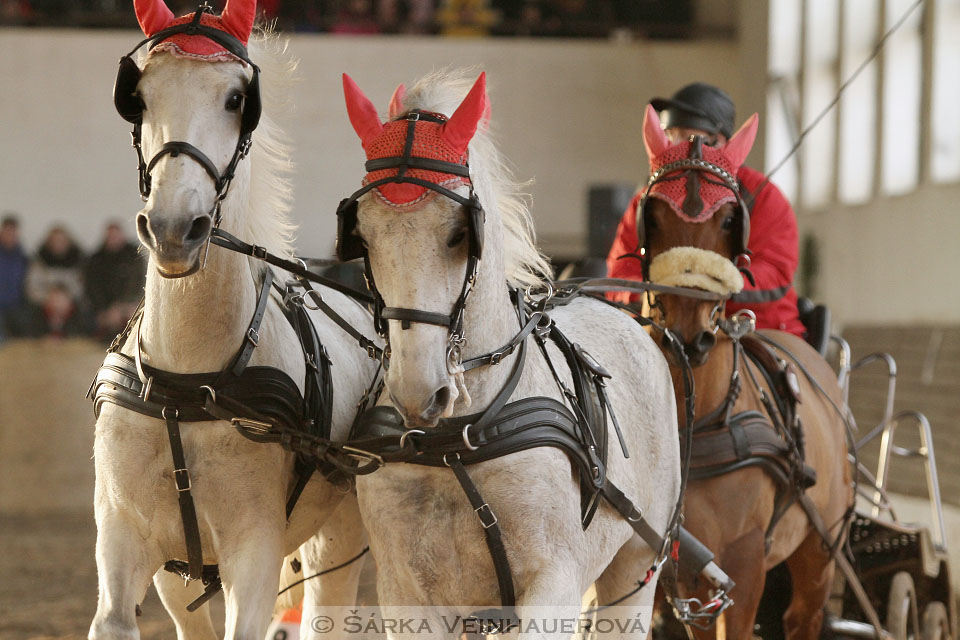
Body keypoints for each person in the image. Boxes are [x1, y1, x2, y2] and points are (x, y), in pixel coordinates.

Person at [605, 82, 804, 336]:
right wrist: (657, 286)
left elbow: (775, 271)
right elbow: (621, 272)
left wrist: (711, 281)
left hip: (757, 328)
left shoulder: (764, 196)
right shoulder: (649, 198)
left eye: (686, 136)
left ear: (720, 141)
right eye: (671, 135)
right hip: (669, 326)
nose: (677, 146)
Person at [84, 222, 145, 339]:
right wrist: (105, 309)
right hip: (105, 307)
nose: (113, 240)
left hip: (131, 304)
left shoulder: (135, 257)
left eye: (116, 236)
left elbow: (138, 283)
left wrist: (123, 305)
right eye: (111, 237)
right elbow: (94, 287)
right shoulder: (96, 260)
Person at [0, 214, 29, 340]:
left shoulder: (23, 256)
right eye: (7, 231)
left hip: (17, 306)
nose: (10, 235)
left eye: (13, 231)